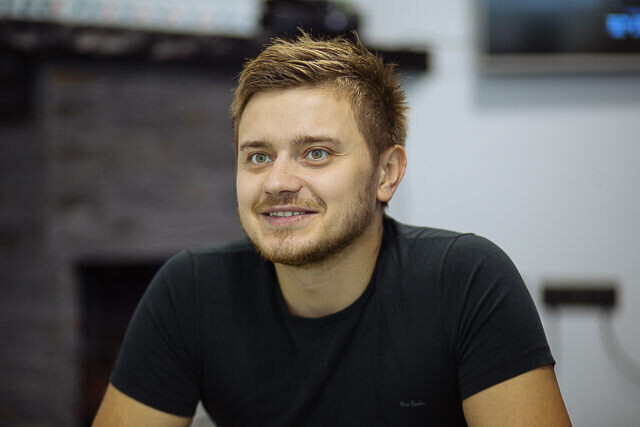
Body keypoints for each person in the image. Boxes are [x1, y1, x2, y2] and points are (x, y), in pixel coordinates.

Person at [93, 32, 571, 426]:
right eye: (258, 156)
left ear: (386, 173)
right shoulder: (192, 290)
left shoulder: (466, 281)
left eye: (316, 153)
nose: (277, 182)